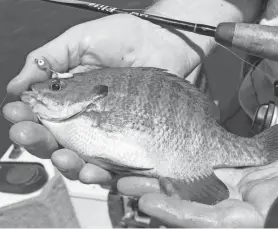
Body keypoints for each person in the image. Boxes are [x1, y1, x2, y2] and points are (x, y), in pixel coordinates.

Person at [3, 0, 278, 227]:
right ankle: (258, 150)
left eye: (55, 86)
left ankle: (259, 151)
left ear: (92, 97)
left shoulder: (93, 107)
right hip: (255, 105)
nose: (43, 90)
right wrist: (160, 31)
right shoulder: (88, 101)